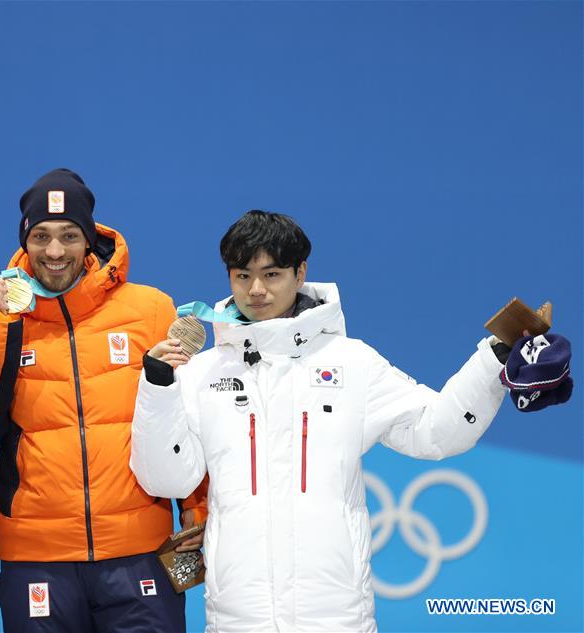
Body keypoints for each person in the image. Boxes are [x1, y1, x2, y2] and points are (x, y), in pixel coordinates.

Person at [129, 210, 520, 632]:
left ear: (300, 274)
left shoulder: (351, 362)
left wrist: (493, 360)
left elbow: (435, 433)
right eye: (242, 276)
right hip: (237, 617)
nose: (256, 290)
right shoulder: (203, 373)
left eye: (272, 274)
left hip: (337, 617)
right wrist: (158, 388)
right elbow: (165, 481)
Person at [0, 168, 207, 632]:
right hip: (37, 557)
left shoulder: (149, 311)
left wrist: (197, 510)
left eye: (69, 235)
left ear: (90, 240)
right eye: (41, 236)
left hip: (139, 550)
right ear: (25, 242)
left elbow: (185, 423)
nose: (55, 251)